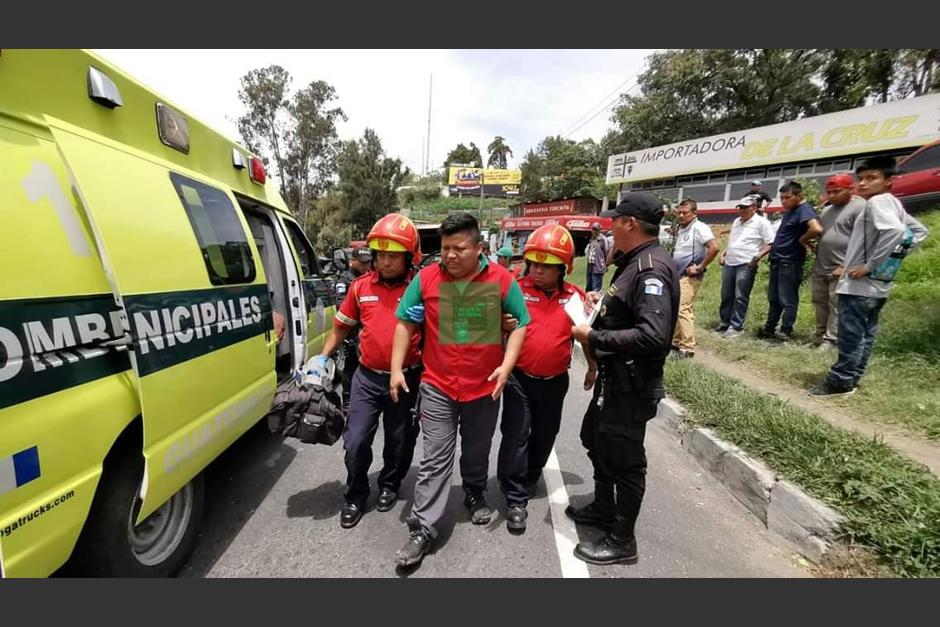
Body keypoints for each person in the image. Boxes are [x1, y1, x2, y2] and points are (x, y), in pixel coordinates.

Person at [390, 213, 531, 568]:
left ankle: (473, 491)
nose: (450, 255)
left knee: (477, 450)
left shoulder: (501, 280)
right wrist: (395, 369)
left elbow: (521, 324)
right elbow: (405, 322)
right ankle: (422, 527)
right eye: (445, 248)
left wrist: (506, 366)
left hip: (484, 386)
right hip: (438, 384)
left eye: (459, 248)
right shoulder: (425, 279)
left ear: (479, 248)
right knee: (436, 457)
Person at [568, 191, 679, 566]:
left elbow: (653, 335)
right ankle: (603, 506)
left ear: (630, 223)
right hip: (614, 379)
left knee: (626, 460)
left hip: (632, 385)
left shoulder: (651, 268)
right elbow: (627, 312)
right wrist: (601, 306)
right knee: (594, 441)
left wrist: (592, 337)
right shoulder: (632, 262)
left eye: (615, 220)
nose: (610, 225)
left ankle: (622, 540)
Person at [311, 214, 424, 529]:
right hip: (367, 378)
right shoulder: (361, 288)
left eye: (393, 256)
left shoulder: (420, 289)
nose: (385, 262)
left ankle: (390, 483)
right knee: (356, 440)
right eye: (381, 255)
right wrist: (320, 361)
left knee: (400, 441)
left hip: (407, 379)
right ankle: (356, 494)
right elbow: (340, 328)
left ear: (408, 257)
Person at [811, 157, 929, 396]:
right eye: (861, 179)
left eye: (872, 178)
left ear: (889, 181)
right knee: (865, 335)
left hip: (860, 285)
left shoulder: (877, 203)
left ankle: (840, 382)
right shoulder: (893, 204)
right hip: (878, 287)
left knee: (851, 336)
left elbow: (895, 231)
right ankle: (853, 378)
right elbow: (918, 232)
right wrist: (892, 258)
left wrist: (870, 264)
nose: (863, 184)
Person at [496, 224, 583, 533]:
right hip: (520, 379)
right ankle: (515, 496)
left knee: (545, 435)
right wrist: (502, 324)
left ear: (563, 268)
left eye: (548, 265)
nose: (539, 270)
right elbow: (490, 325)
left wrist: (595, 368)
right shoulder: (516, 290)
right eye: (535, 262)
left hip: (556, 381)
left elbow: (585, 335)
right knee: (516, 434)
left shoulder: (574, 297)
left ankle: (530, 477)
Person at [757, 181, 823, 341]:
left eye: (787, 197)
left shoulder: (804, 210)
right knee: (774, 299)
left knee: (787, 300)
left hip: (790, 262)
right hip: (778, 261)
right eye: (781, 198)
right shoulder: (791, 211)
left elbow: (816, 228)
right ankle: (769, 328)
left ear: (799, 196)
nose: (784, 201)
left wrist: (803, 239)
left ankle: (785, 331)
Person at [811, 174, 866, 347]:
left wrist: (845, 265)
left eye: (836, 191)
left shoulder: (860, 207)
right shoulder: (827, 209)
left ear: (851, 189)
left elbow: (863, 240)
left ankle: (831, 339)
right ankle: (819, 336)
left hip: (842, 266)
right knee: (819, 301)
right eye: (829, 192)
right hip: (822, 265)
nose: (832, 195)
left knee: (836, 304)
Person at [715, 195, 775, 338]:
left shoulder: (762, 223)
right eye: (739, 208)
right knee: (726, 294)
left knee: (740, 296)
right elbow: (733, 241)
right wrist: (724, 253)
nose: (741, 211)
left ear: (754, 208)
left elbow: (770, 243)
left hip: (746, 264)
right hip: (730, 262)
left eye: (744, 208)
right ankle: (725, 322)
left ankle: (736, 326)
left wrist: (757, 257)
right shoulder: (737, 222)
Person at [670, 198, 718, 358]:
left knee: (683, 309)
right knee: (677, 308)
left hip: (689, 277)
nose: (681, 215)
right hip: (678, 275)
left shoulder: (699, 227)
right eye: (679, 212)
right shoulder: (685, 229)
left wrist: (699, 267)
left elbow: (714, 247)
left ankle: (687, 347)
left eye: (685, 213)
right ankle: (677, 342)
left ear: (695, 213)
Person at [584, 223, 610, 292]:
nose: (594, 231)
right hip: (590, 265)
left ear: (599, 231)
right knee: (588, 286)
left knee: (596, 287)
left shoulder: (603, 240)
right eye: (593, 229)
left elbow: (606, 252)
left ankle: (596, 301)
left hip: (598, 266)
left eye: (596, 229)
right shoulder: (592, 239)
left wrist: (606, 265)